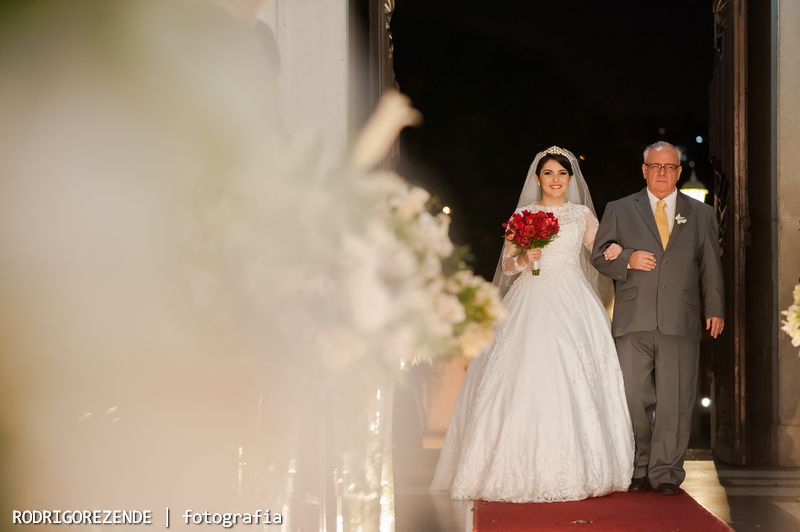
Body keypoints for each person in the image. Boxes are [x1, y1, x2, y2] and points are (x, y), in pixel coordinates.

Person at [430, 146, 634, 502]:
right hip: (531, 296)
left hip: (572, 297)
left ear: (570, 179)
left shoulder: (581, 214)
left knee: (574, 371)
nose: (556, 180)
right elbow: (508, 266)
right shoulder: (524, 214)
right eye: (549, 173)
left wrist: (615, 250)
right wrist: (526, 256)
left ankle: (585, 465)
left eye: (562, 174)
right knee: (521, 372)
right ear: (538, 178)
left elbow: (597, 250)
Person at [590, 141, 725, 496]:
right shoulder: (619, 209)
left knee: (676, 399)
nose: (662, 173)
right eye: (655, 166)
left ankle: (665, 472)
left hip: (682, 318)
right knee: (632, 396)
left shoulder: (701, 214)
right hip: (633, 317)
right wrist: (628, 259)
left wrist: (715, 308)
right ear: (644, 170)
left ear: (679, 172)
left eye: (669, 167)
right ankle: (637, 465)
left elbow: (711, 265)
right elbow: (599, 256)